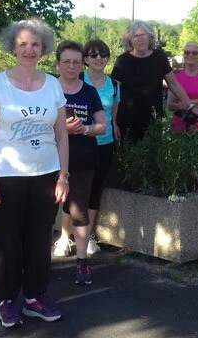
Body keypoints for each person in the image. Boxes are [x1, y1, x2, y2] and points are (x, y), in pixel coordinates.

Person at [0, 18, 70, 329]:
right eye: (23, 44)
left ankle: (34, 297)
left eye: (34, 44)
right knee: (8, 241)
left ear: (42, 48)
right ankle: (7, 300)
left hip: (46, 174)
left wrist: (63, 177)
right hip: (8, 175)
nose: (29, 49)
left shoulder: (53, 85)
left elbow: (61, 135)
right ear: (12, 47)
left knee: (39, 238)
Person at [52, 40, 107, 285]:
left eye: (76, 62)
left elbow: (102, 126)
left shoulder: (89, 91)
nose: (72, 66)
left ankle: (82, 262)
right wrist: (61, 128)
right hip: (50, 158)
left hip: (84, 157)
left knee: (79, 210)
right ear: (57, 64)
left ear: (81, 63)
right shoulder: (48, 89)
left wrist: (84, 128)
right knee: (43, 210)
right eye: (67, 62)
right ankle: (34, 264)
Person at [111, 20, 192, 141]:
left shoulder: (159, 57)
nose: (140, 38)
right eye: (135, 36)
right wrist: (113, 122)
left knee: (154, 157)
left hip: (153, 120)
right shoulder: (122, 61)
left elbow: (174, 84)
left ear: (149, 36)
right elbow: (113, 93)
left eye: (142, 34)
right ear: (130, 40)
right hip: (127, 120)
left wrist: (190, 105)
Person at [80, 39, 121, 256]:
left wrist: (114, 124)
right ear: (85, 59)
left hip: (104, 142)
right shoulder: (77, 79)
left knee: (96, 188)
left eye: (103, 54)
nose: (99, 58)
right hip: (80, 141)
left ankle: (88, 235)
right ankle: (67, 236)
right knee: (77, 189)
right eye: (94, 55)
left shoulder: (113, 85)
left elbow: (114, 110)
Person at [169, 41, 198, 131]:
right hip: (179, 126)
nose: (190, 55)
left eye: (195, 53)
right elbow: (170, 105)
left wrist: (185, 103)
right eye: (187, 52)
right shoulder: (175, 77)